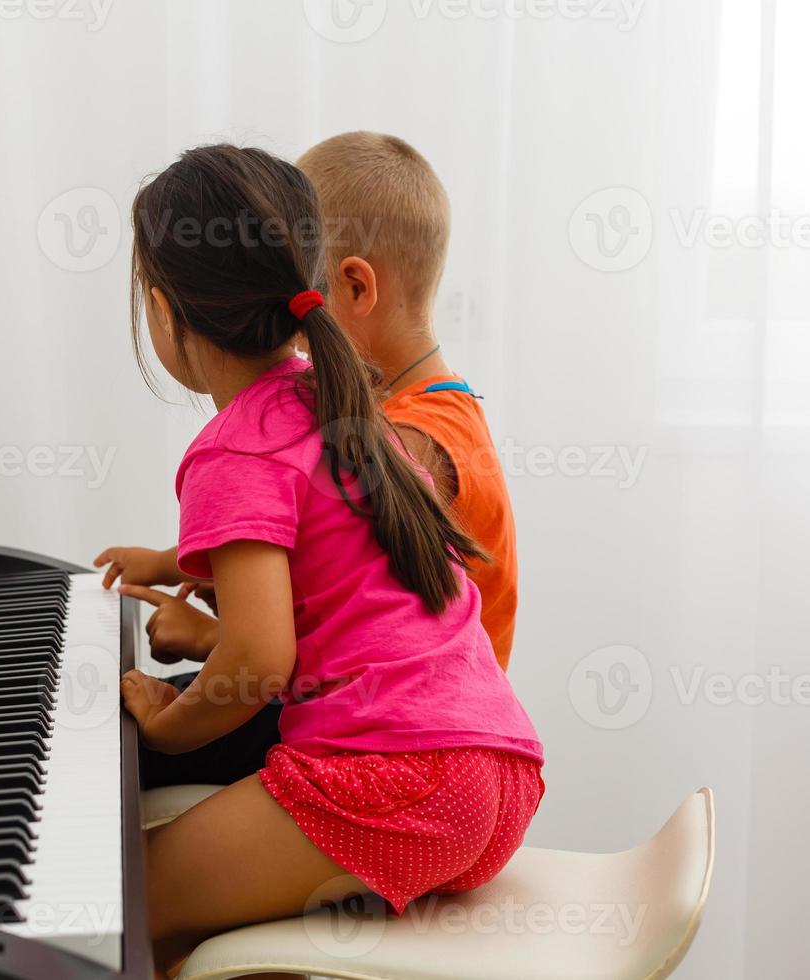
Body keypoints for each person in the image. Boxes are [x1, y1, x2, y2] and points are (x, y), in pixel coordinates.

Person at [113, 144, 543, 979]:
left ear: (166, 313)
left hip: (396, 782)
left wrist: (168, 717)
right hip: (499, 775)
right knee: (214, 915)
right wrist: (177, 564)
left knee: (125, 898)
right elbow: (331, 563)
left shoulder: (231, 451)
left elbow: (259, 658)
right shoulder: (348, 401)